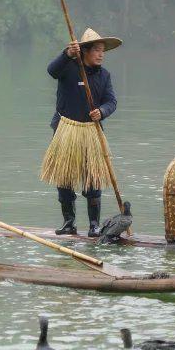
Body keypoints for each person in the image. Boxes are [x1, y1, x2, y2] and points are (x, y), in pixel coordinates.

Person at [44, 27, 120, 237]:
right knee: (64, 178)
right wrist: (67, 54)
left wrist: (101, 112)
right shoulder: (68, 67)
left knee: (93, 179)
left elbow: (111, 101)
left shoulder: (104, 75)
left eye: (102, 50)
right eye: (96, 50)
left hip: (90, 131)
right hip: (66, 129)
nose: (101, 54)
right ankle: (69, 222)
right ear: (85, 51)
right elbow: (51, 71)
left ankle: (94, 225)